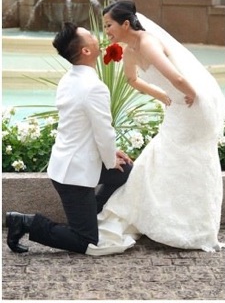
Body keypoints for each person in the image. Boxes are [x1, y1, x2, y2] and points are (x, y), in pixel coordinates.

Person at [85, 0, 225, 255]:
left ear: (126, 24)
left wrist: (191, 94)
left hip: (191, 107)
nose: (106, 31)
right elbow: (132, 79)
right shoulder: (129, 50)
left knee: (187, 159)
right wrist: (161, 95)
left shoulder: (148, 43)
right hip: (178, 106)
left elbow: (178, 77)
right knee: (169, 157)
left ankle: (191, 227)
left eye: (109, 25)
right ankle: (172, 220)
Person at [5, 22, 133, 255]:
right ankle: (25, 222)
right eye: (91, 37)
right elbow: (104, 131)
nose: (97, 38)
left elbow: (83, 128)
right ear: (85, 51)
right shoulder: (93, 87)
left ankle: (91, 215)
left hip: (70, 163)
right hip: (74, 175)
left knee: (125, 171)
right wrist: (109, 158)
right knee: (85, 240)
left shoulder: (69, 78)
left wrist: (111, 156)